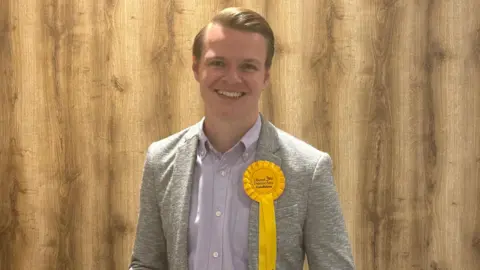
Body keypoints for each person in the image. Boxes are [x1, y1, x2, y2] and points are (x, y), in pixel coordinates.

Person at [128, 6, 355, 270]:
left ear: (265, 76)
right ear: (196, 67)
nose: (232, 78)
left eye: (248, 66)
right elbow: (146, 263)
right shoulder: (160, 160)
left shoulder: (309, 169)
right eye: (218, 63)